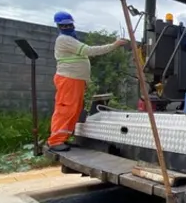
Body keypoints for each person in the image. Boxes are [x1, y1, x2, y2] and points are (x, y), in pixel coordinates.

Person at [47, 11, 128, 152]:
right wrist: (114, 45)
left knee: (74, 110)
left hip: (74, 80)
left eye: (69, 24)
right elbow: (90, 51)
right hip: (69, 79)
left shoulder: (70, 39)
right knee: (65, 109)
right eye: (64, 25)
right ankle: (55, 141)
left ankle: (64, 138)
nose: (68, 27)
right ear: (59, 26)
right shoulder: (64, 40)